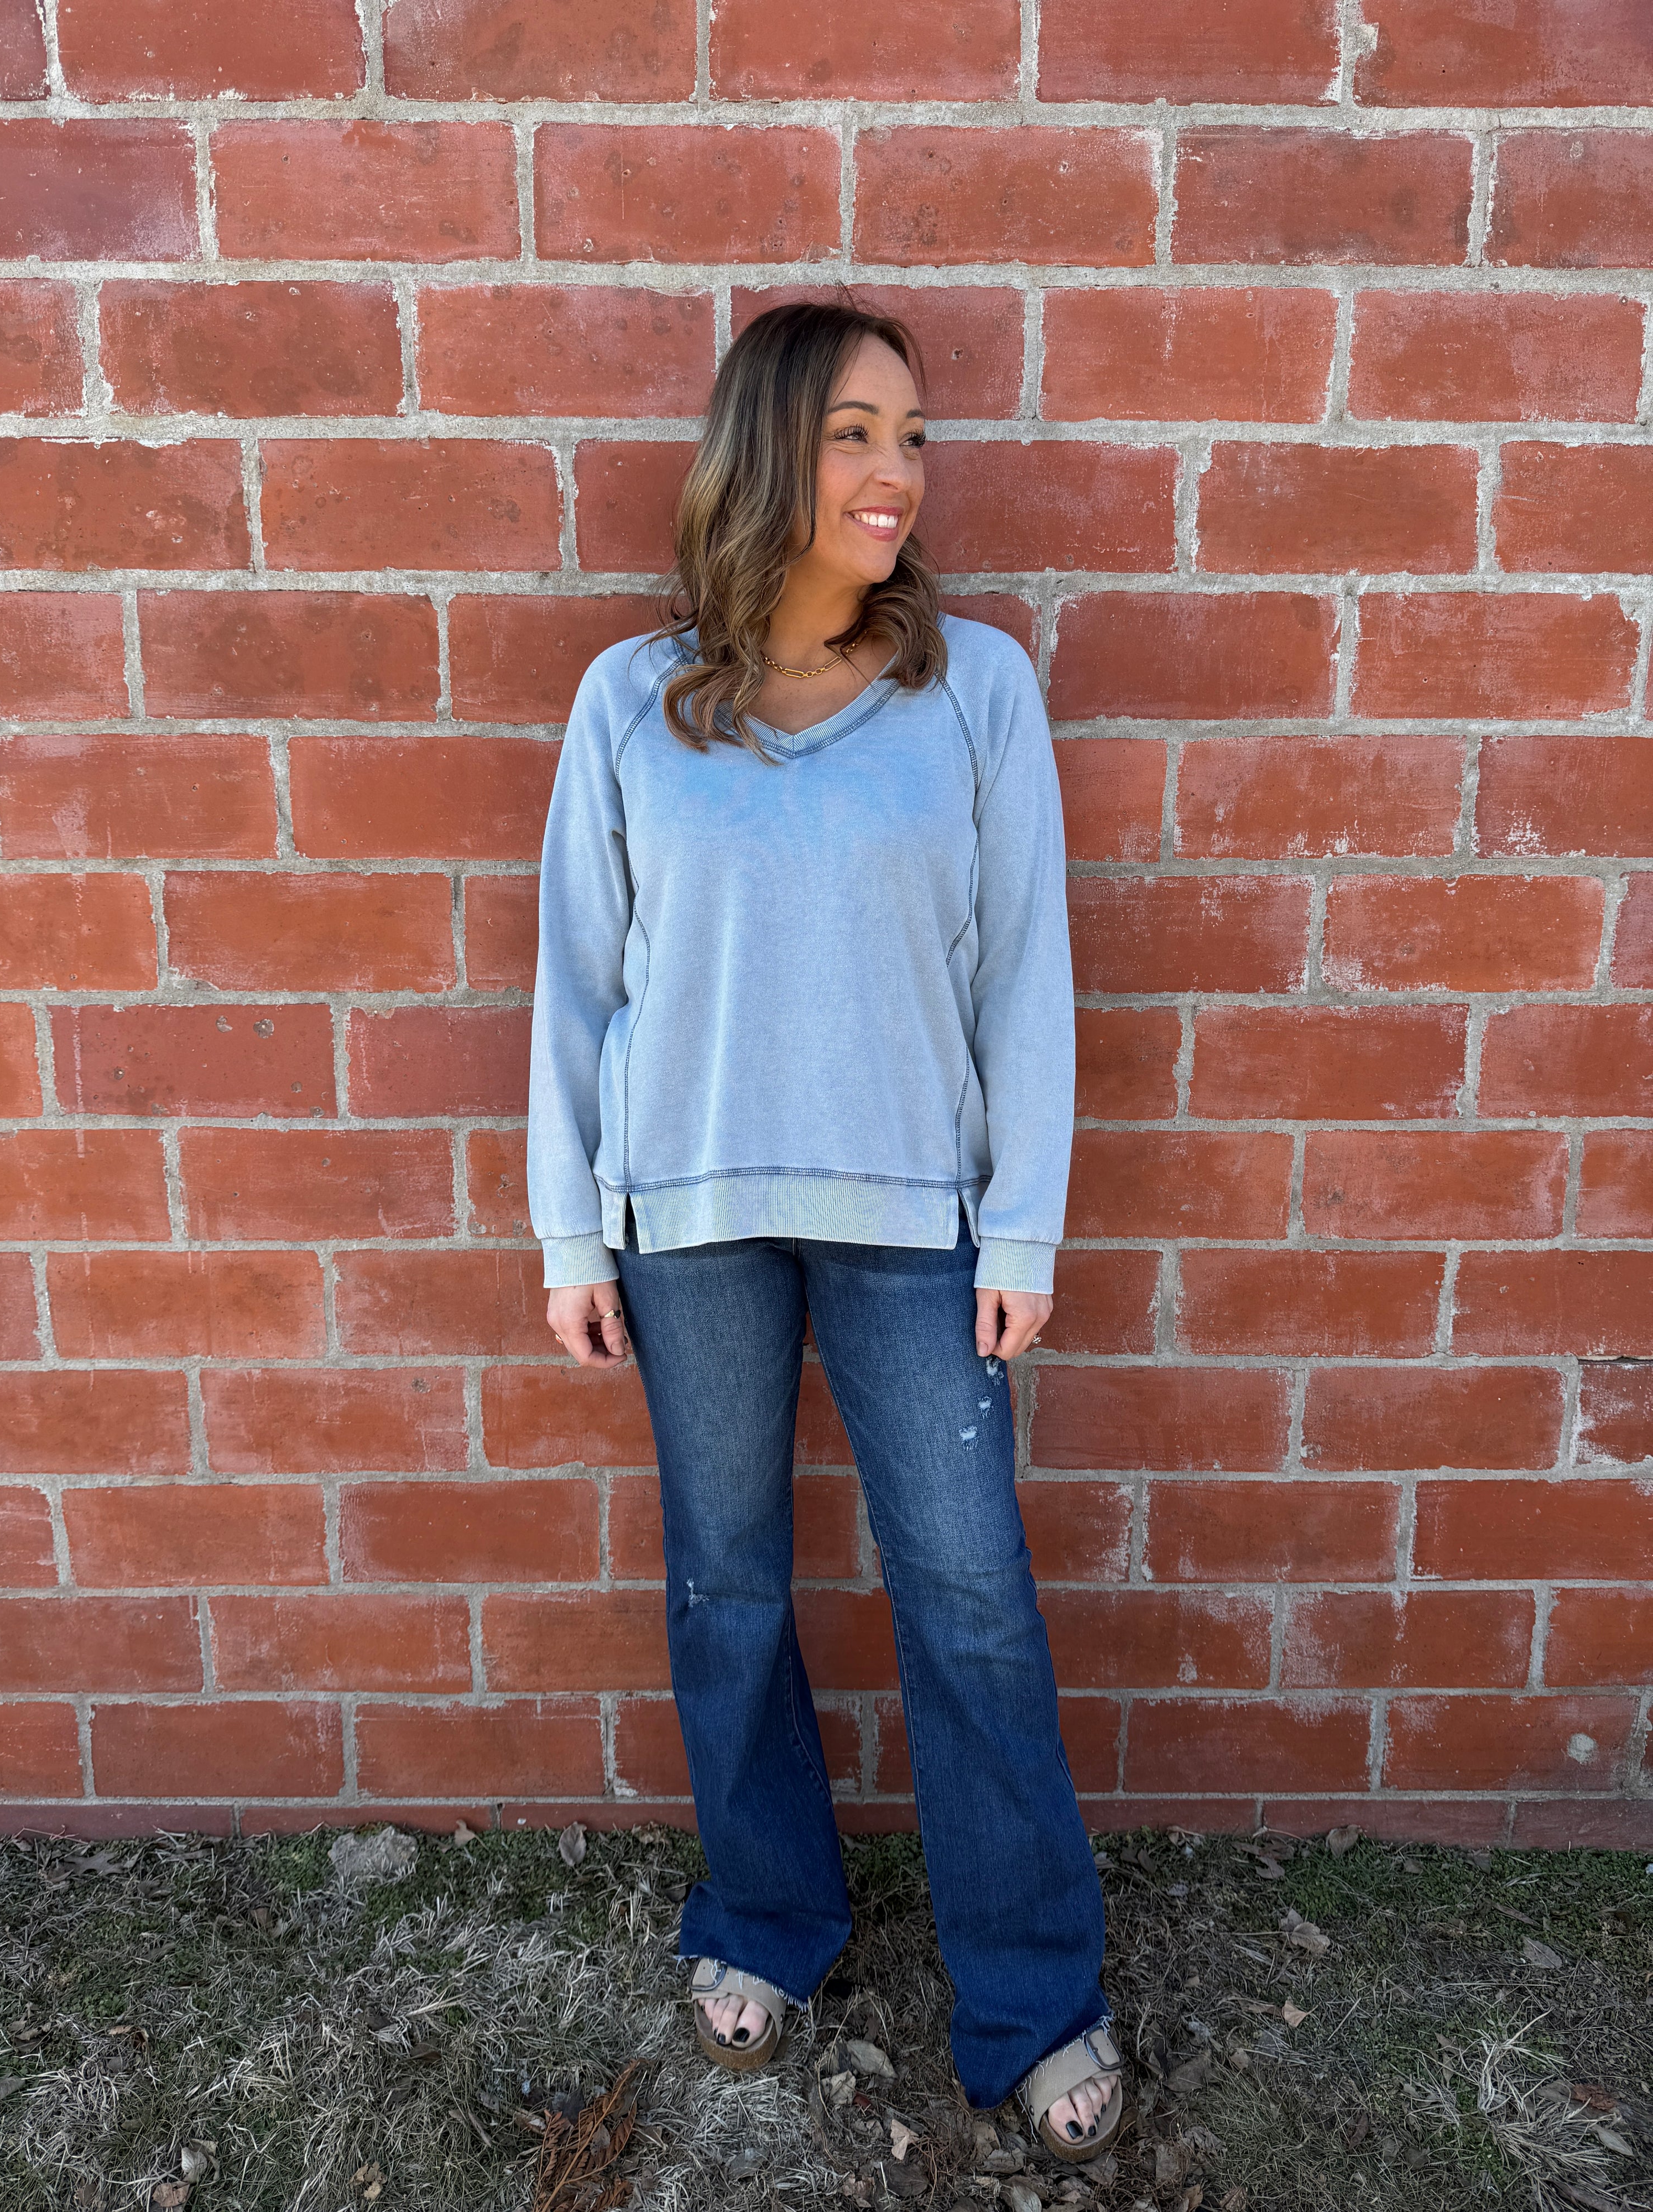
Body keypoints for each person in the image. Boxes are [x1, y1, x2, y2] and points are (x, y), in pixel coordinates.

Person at [526, 298, 1122, 2160]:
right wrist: (571, 1233)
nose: (897, 474)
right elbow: (577, 986)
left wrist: (1022, 1227)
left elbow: (1026, 974)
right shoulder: (631, 700)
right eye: (857, 433)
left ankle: (1033, 1996)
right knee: (727, 1585)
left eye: (914, 438)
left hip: (913, 1219)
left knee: (970, 1594)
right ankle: (769, 1915)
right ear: (766, 450)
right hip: (688, 1214)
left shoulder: (976, 688)